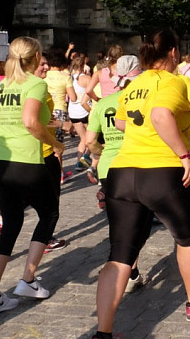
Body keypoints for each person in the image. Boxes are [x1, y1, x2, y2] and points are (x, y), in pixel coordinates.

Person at [94, 29, 190, 337]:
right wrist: (184, 155)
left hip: (123, 172)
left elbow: (121, 122)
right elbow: (161, 115)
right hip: (163, 171)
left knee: (120, 254)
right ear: (174, 53)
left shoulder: (134, 84)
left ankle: (103, 332)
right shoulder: (174, 81)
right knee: (187, 238)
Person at [0, 37, 64, 316]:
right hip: (26, 161)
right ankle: (27, 280)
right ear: (36, 56)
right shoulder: (35, 84)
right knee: (49, 215)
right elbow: (30, 122)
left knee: (12, 223)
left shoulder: (3, 84)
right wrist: (56, 143)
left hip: (0, 161)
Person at [84, 59, 148, 294]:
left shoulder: (103, 104)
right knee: (139, 221)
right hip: (136, 163)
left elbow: (90, 141)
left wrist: (101, 153)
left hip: (109, 167)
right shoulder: (143, 101)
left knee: (118, 221)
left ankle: (124, 268)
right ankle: (130, 269)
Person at [68, 54, 92, 170]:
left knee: (83, 138)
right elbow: (93, 92)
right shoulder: (86, 78)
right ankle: (86, 156)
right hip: (85, 110)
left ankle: (78, 162)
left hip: (73, 112)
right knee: (93, 137)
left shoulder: (69, 79)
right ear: (83, 65)